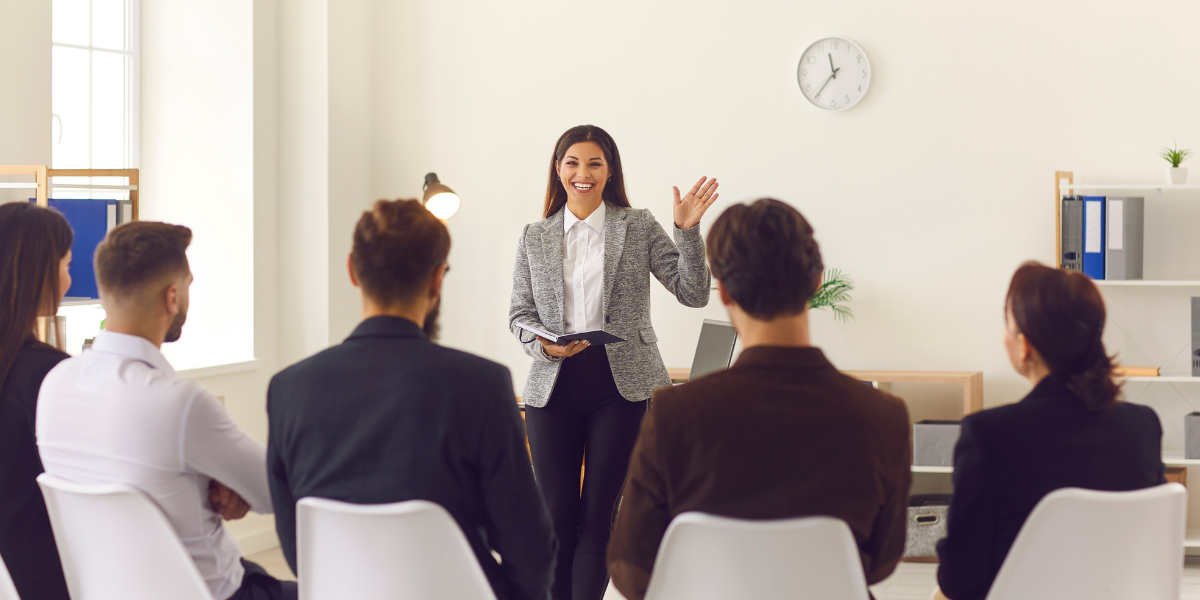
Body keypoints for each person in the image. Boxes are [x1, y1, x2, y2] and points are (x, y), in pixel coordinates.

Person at [607, 198, 912, 600]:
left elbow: (631, 572)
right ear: (818, 280)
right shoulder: (884, 416)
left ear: (727, 294)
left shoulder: (675, 414)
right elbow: (880, 562)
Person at [268, 199, 555, 600]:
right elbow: (530, 551)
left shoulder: (287, 389)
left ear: (352, 270)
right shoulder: (482, 385)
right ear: (438, 279)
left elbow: (301, 547)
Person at [509, 124, 716, 600]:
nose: (583, 173)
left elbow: (693, 293)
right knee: (556, 514)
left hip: (620, 386)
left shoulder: (636, 224)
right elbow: (519, 315)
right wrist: (543, 344)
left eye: (594, 163)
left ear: (609, 171)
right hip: (553, 385)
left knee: (599, 514)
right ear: (559, 170)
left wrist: (687, 231)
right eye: (573, 163)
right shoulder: (534, 236)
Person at [37, 222, 296, 600]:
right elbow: (277, 488)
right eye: (188, 285)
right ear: (172, 296)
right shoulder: (179, 403)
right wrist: (226, 481)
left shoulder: (54, 385)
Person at [933, 261, 1165, 600]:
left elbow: (961, 580)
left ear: (1024, 346)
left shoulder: (989, 434)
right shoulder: (1143, 425)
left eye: (1007, 325)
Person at [0, 203, 73, 600]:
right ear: (37, 271)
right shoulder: (48, 373)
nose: (68, 279)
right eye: (64, 264)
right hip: (43, 574)